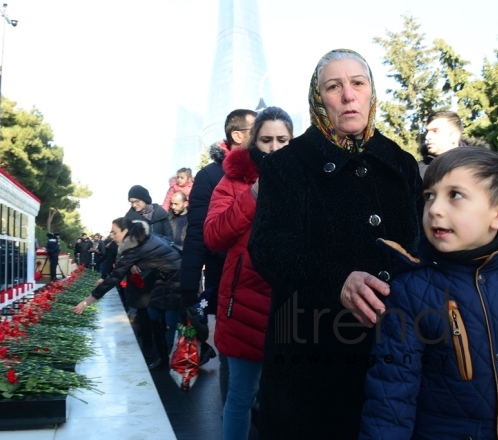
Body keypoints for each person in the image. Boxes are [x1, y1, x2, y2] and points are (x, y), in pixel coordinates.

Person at [247, 49, 424, 439]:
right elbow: (268, 248)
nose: (348, 95)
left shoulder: (401, 163)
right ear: (318, 99)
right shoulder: (286, 165)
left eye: (358, 83)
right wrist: (336, 280)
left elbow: (422, 248)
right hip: (311, 361)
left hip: (394, 357)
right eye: (334, 86)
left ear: (371, 93)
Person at [360, 146, 498, 438]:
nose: (435, 209)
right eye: (429, 196)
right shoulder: (410, 291)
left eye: (455, 195)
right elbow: (391, 398)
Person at [204, 106, 293, 440]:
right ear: (254, 142)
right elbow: (213, 236)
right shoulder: (234, 180)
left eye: (282, 140)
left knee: (287, 401)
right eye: (266, 139)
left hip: (292, 308)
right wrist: (253, 194)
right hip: (244, 307)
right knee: (240, 396)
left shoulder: (310, 180)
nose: (274, 147)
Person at [179, 108, 257, 403]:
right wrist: (188, 285)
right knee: (231, 355)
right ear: (238, 135)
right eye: (256, 128)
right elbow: (197, 231)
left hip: (266, 279)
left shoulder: (272, 167)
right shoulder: (211, 176)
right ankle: (232, 415)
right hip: (227, 278)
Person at [73, 220, 182, 370]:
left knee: (172, 323)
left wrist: (87, 302)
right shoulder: (145, 238)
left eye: (114, 232)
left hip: (175, 281)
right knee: (154, 314)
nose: (111, 236)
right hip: (166, 280)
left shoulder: (135, 247)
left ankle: (175, 361)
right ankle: (164, 359)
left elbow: (115, 276)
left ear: (125, 231)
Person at [420, 111, 498, 235]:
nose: (428, 136)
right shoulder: (417, 171)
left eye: (435, 131)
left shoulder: (484, 167)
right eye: (430, 196)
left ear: (454, 136)